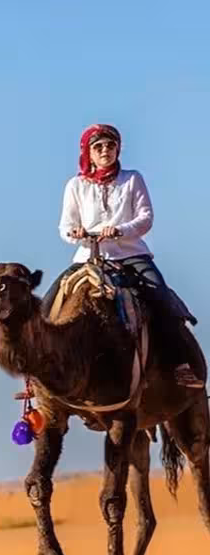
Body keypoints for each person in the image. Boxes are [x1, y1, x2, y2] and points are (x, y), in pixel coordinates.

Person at [59, 122, 202, 388]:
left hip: (131, 255)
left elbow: (146, 218)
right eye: (98, 146)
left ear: (118, 149)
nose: (105, 151)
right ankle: (40, 375)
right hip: (88, 259)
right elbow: (64, 227)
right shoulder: (75, 185)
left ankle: (180, 364)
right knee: (51, 302)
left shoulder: (132, 178)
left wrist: (120, 231)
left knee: (160, 297)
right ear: (88, 152)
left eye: (111, 146)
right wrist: (75, 232)